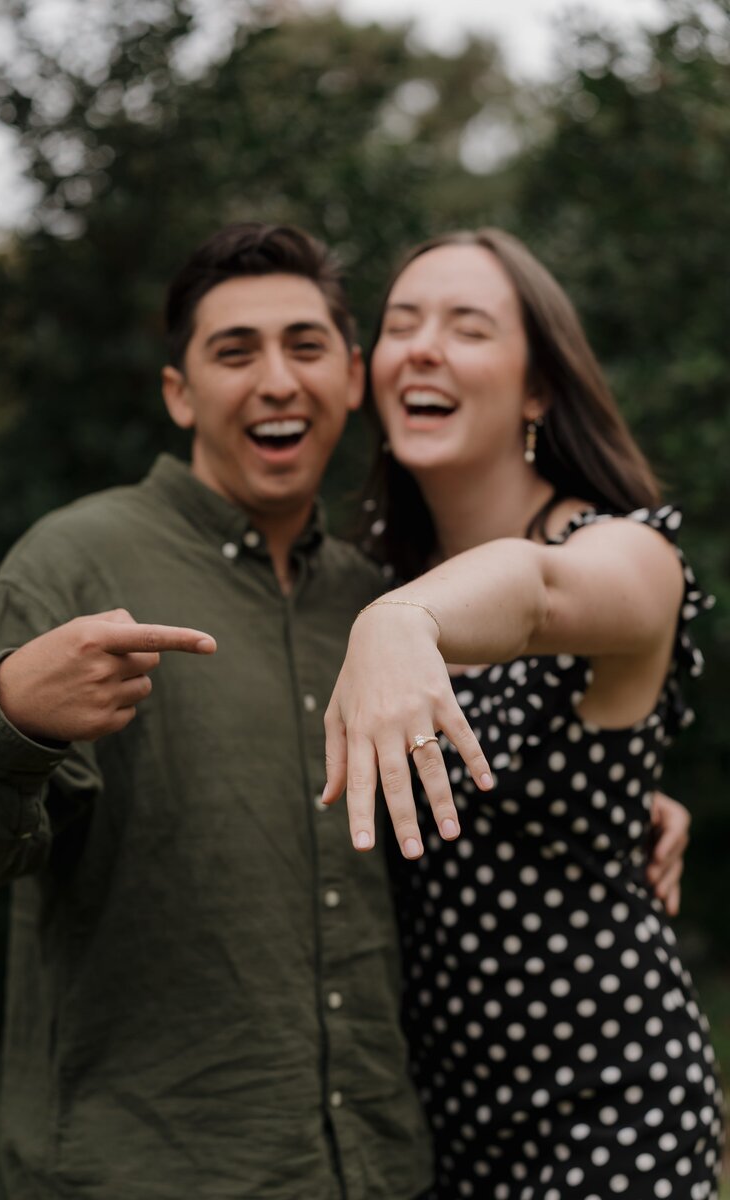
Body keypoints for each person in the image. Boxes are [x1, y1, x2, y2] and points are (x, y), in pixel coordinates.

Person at [0, 222, 689, 1200]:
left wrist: (624, 797)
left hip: (404, 1164)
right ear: (178, 391)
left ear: (348, 379)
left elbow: (555, 638)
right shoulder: (76, 569)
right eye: (233, 352)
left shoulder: (378, 595)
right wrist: (9, 718)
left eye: (304, 347)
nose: (275, 380)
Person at [323, 229, 723, 1199]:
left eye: (466, 327)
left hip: (607, 1111)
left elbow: (538, 593)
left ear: (536, 387)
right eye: (401, 324)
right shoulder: (363, 577)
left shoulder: (625, 552)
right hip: (426, 1123)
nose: (421, 347)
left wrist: (399, 622)